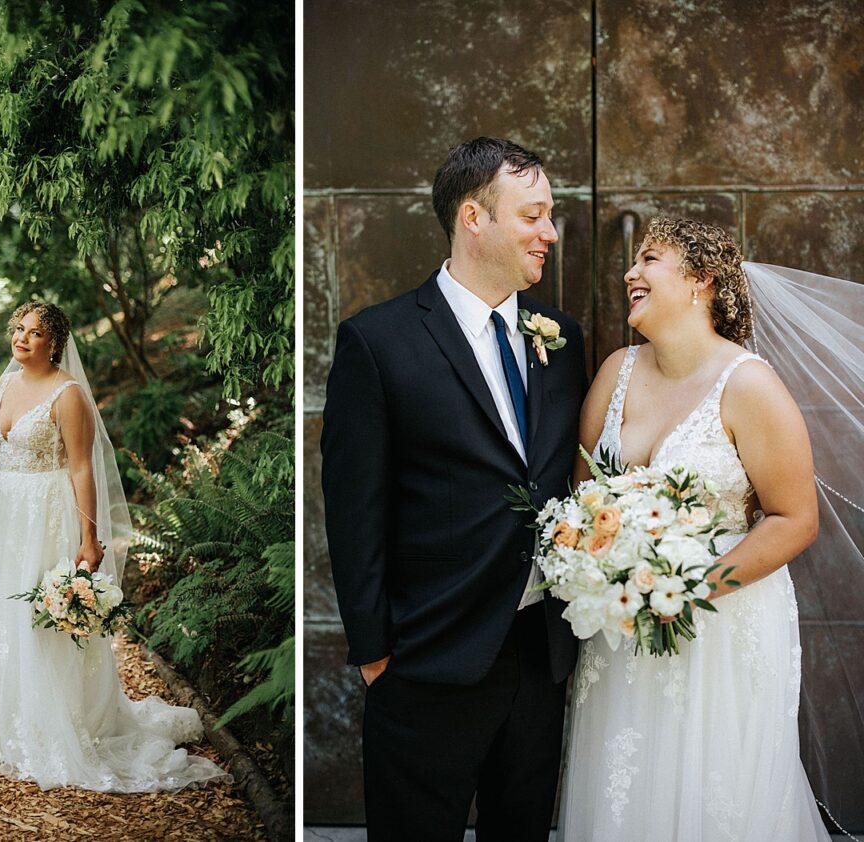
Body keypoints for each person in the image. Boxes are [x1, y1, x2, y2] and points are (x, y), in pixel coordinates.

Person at [321, 137, 588, 840]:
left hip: (540, 654)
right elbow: (354, 510)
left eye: (550, 215)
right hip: (428, 657)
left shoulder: (560, 338)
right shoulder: (377, 342)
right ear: (475, 218)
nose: (550, 233)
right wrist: (377, 652)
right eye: (533, 216)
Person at [558, 217, 832, 840]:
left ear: (700, 281)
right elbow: (582, 498)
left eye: (649, 259)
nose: (630, 273)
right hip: (623, 626)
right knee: (627, 784)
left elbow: (795, 519)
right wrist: (602, 562)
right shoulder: (615, 372)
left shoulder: (750, 384)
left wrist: (685, 590)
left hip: (718, 624)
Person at [0, 301, 229, 792]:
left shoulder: (68, 395)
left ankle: (53, 720)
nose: (21, 338)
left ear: (55, 344)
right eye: (19, 329)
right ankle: (0, 713)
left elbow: (81, 468)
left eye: (35, 333)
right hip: (1, 512)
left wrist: (90, 538)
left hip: (44, 512)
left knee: (37, 615)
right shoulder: (6, 382)